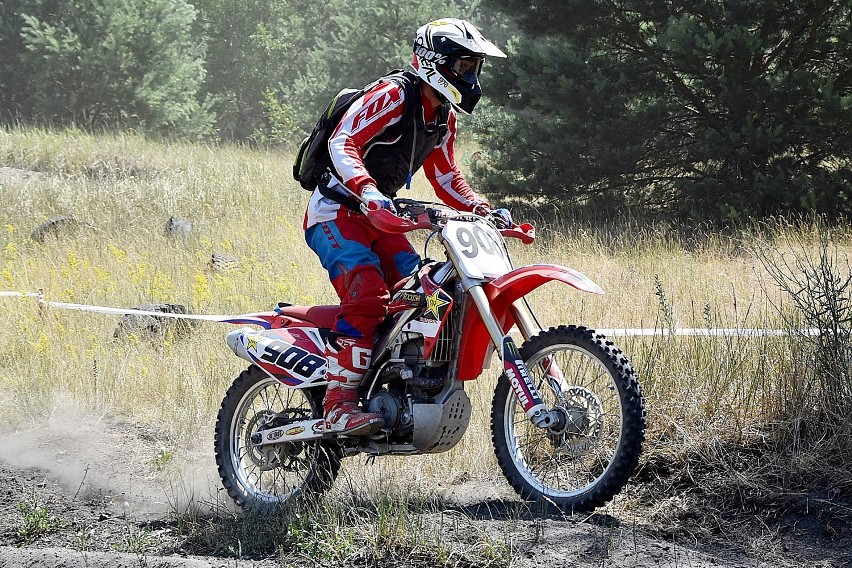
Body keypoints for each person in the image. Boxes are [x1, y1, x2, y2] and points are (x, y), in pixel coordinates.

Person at [303, 18, 507, 435]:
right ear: (437, 63)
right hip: (337, 212)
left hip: (383, 218)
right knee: (368, 293)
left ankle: (391, 382)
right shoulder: (394, 95)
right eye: (465, 67)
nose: (472, 77)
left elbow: (447, 176)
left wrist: (480, 207)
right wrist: (367, 189)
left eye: (475, 69)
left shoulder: (443, 116)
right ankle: (337, 403)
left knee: (420, 293)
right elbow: (343, 141)